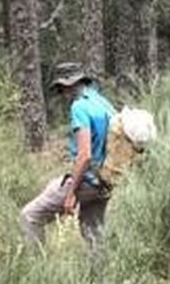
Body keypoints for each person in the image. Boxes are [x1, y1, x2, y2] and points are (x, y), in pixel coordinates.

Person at [20, 63, 116, 247]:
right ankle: (101, 275)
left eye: (61, 89)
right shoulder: (103, 102)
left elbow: (85, 155)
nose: (62, 94)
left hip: (87, 181)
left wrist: (71, 193)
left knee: (29, 216)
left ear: (68, 85)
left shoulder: (79, 107)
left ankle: (38, 271)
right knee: (93, 232)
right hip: (105, 181)